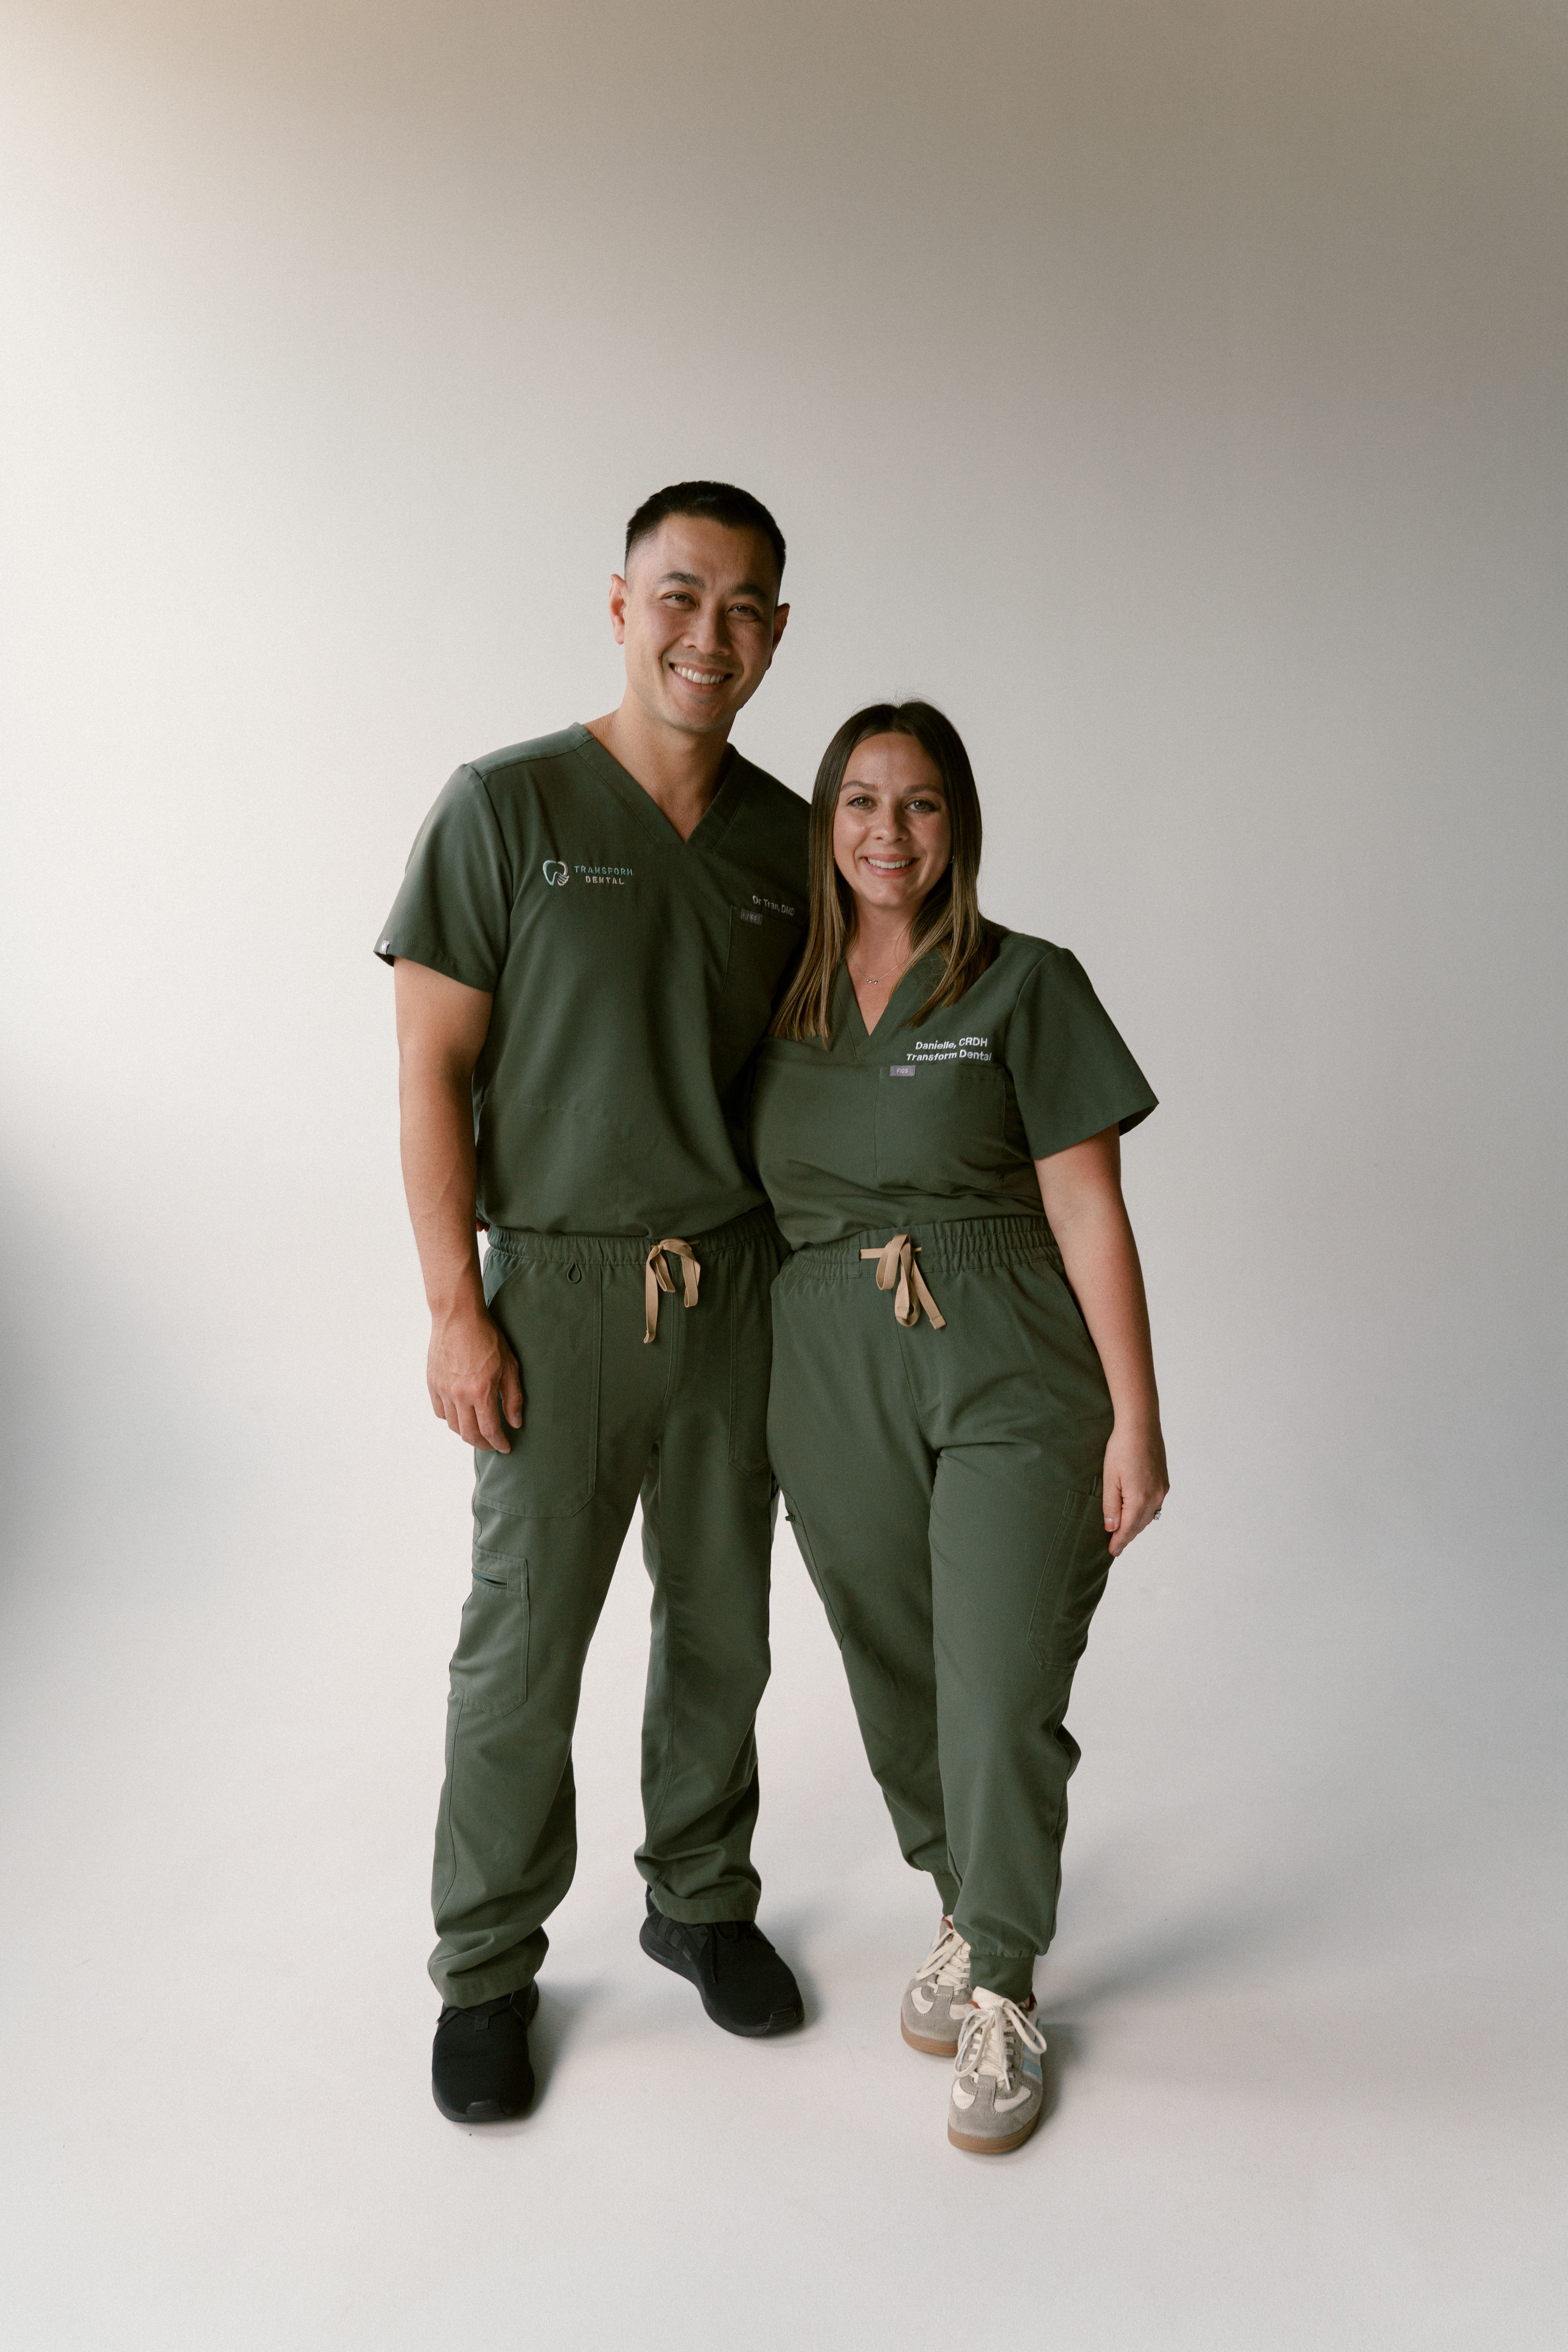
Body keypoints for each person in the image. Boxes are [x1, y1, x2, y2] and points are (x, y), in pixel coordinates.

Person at [378, 482, 810, 2125]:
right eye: (681, 596)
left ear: (776, 635)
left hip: (735, 1292)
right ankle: (486, 1967)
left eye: (747, 607)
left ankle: (699, 1896)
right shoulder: (504, 808)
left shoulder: (789, 842)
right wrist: (451, 1309)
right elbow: (429, 1067)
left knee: (722, 1626)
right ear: (621, 607)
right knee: (521, 1649)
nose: (713, 634)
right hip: (551, 1292)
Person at [751, 700, 1168, 2155]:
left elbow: (1085, 1205)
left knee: (996, 1678)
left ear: (958, 827)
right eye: (859, 803)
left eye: (919, 806)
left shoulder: (1024, 983)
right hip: (824, 1358)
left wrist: (1137, 1418)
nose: (887, 832)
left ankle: (1001, 1976)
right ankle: (957, 1890)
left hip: (1001, 1349)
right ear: (823, 823)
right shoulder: (778, 996)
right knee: (895, 1667)